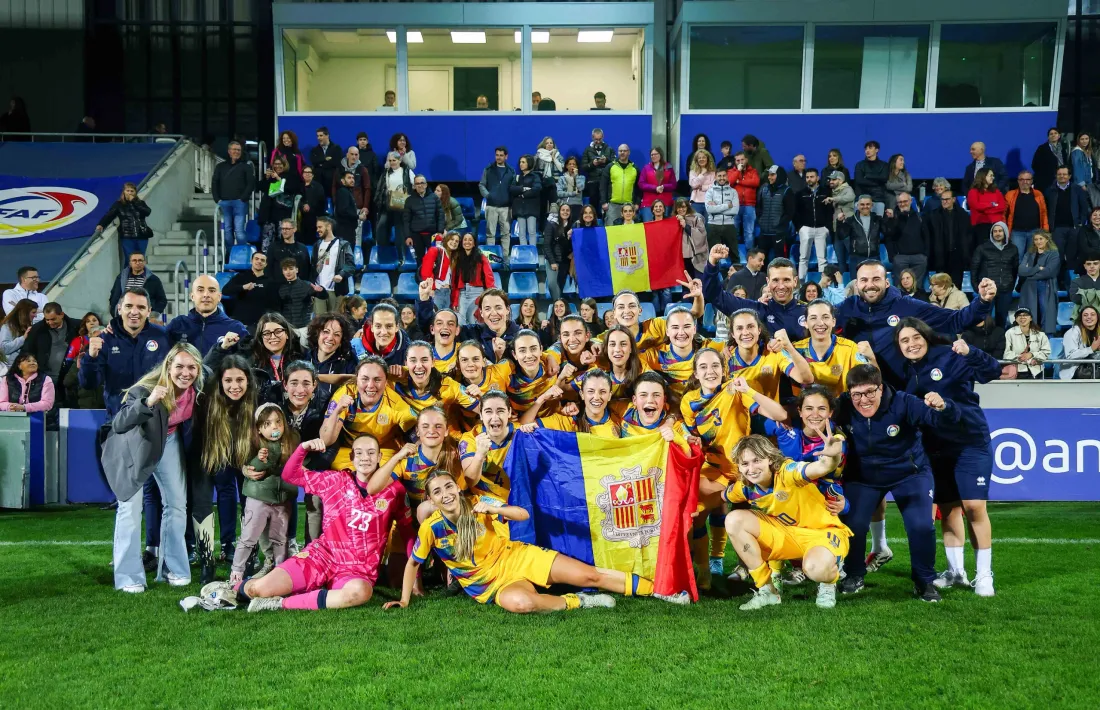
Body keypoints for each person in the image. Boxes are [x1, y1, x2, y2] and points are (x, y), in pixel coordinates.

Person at [388, 466, 645, 613]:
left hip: (517, 557)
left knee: (591, 576)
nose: (445, 494)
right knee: (521, 603)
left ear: (456, 488)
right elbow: (413, 563)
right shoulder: (432, 528)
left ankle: (657, 590)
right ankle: (580, 601)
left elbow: (522, 514)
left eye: (448, 487)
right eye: (437, 492)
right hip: (491, 586)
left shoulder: (479, 504)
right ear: (431, 500)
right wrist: (405, 599)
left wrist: (496, 510)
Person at [207, 434, 413, 613]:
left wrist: (416, 578)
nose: (365, 458)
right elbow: (291, 475)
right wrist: (302, 448)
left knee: (360, 592)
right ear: (351, 458)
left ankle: (278, 604)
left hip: (356, 571)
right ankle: (232, 589)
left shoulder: (394, 491)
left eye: (370, 453)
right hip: (321, 557)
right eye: (359, 453)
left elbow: (407, 532)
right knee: (258, 590)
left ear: (379, 457)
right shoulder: (335, 481)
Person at [833, 364, 959, 602]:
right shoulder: (843, 405)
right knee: (852, 524)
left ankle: (924, 581)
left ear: (881, 388)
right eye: (857, 394)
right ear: (849, 393)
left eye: (870, 392)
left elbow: (942, 419)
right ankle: (853, 575)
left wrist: (943, 407)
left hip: (909, 473)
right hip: (863, 476)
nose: (864, 400)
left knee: (921, 526)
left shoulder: (904, 402)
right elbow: (814, 414)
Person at [895, 319, 1002, 597]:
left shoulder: (950, 357)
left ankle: (984, 575)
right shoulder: (906, 374)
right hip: (936, 448)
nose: (911, 344)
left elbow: (993, 371)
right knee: (950, 509)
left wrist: (971, 352)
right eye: (904, 341)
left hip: (969, 441)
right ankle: (956, 572)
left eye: (916, 337)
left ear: (927, 337)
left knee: (974, 506)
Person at [102, 341, 203, 592]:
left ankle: (172, 568)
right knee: (130, 508)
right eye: (179, 366)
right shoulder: (145, 388)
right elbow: (119, 423)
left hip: (167, 440)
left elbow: (214, 360)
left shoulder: (196, 388)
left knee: (177, 504)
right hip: (134, 445)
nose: (185, 372)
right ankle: (129, 577)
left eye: (192, 367)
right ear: (168, 367)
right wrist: (147, 403)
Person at [679, 352, 785, 585]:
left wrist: (749, 390)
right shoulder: (688, 400)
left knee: (766, 516)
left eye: (716, 365)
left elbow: (780, 415)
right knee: (692, 512)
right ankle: (704, 571)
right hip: (713, 469)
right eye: (704, 367)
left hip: (743, 470)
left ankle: (774, 572)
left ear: (724, 368)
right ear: (696, 373)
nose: (710, 371)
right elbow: (691, 436)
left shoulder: (736, 389)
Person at [714, 433, 848, 610]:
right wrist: (689, 509)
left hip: (822, 533)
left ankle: (828, 582)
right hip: (787, 536)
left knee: (816, 568)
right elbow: (720, 497)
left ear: (769, 459)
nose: (751, 468)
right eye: (744, 464)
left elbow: (823, 466)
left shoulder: (788, 472)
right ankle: (766, 590)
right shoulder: (745, 488)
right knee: (734, 519)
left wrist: (834, 455)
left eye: (757, 460)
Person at [836, 260, 998, 387]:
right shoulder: (846, 309)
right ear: (857, 284)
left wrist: (982, 301)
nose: (870, 285)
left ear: (887, 282)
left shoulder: (907, 306)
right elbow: (815, 321)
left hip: (903, 390)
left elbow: (955, 320)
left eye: (876, 279)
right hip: (864, 393)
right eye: (864, 280)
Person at [186, 353, 256, 584]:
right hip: (206, 453)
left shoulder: (254, 399)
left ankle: (246, 557)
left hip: (242, 454)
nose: (234, 386)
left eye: (239, 380)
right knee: (202, 503)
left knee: (251, 500)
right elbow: (197, 439)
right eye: (228, 381)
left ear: (248, 380)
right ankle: (207, 560)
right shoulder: (207, 399)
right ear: (220, 381)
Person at [228, 404, 298, 586]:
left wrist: (287, 457)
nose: (275, 427)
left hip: (282, 500)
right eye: (268, 423)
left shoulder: (292, 441)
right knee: (248, 537)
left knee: (279, 539)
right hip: (258, 499)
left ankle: (279, 574)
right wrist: (260, 460)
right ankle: (236, 573)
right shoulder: (255, 445)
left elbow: (296, 467)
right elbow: (254, 470)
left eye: (278, 422)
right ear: (259, 428)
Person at [80, 288, 169, 415]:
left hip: (155, 418)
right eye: (128, 306)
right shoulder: (105, 340)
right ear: (119, 309)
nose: (134, 312)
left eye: (141, 307)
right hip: (119, 418)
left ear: (149, 311)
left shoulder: (163, 337)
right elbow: (88, 384)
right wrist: (90, 358)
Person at [320, 355, 417, 471]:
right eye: (365, 379)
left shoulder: (395, 403)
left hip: (384, 453)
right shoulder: (345, 394)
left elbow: (419, 435)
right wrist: (337, 411)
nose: (370, 386)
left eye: (377, 380)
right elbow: (326, 440)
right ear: (357, 380)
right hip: (352, 452)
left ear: (386, 382)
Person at [793, 299, 873, 397]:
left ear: (833, 321)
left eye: (825, 317)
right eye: (813, 318)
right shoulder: (795, 350)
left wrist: (872, 359)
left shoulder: (850, 349)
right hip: (808, 410)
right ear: (805, 323)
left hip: (842, 409)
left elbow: (872, 380)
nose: (820, 323)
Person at [167, 274, 249, 356]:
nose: (206, 295)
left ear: (219, 297)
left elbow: (247, 362)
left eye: (212, 290)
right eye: (200, 290)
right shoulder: (178, 324)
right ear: (192, 296)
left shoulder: (236, 328)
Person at [20, 302, 81, 394]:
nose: (50, 323)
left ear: (61, 315)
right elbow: (27, 351)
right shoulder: (37, 329)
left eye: (53, 319)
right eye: (47, 320)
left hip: (69, 378)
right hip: (45, 378)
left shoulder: (77, 326)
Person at [1044, 166, 1090, 281]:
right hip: (1057, 229)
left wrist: (1080, 223)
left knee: (1072, 256)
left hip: (1074, 228)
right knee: (1057, 256)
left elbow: (1084, 208)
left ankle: (1072, 284)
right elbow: (1046, 209)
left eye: (1064, 174)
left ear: (1069, 176)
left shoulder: (1077, 189)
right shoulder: (1050, 190)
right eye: (1059, 174)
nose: (1062, 176)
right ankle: (1059, 283)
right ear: (1056, 176)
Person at [971, 221, 1018, 325]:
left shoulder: (1013, 249)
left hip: (1005, 290)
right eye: (995, 231)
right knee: (983, 320)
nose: (997, 233)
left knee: (1002, 320)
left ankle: (1000, 340)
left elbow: (1015, 270)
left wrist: (1010, 285)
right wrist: (976, 287)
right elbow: (974, 268)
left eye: (1000, 231)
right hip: (987, 290)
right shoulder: (982, 248)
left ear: (1005, 232)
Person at [925, 189, 973, 289]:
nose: (944, 201)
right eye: (942, 199)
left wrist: (966, 253)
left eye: (947, 199)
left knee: (956, 287)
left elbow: (968, 236)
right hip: (940, 256)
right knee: (941, 288)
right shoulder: (933, 215)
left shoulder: (963, 215)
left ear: (954, 199)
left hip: (957, 257)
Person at [212, 141, 256, 248]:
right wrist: (217, 199)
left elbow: (251, 184)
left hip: (239, 203)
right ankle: (230, 254)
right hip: (224, 202)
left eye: (238, 150)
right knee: (227, 231)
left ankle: (241, 253)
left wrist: (243, 198)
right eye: (234, 149)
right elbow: (214, 183)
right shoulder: (220, 166)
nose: (236, 152)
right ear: (229, 151)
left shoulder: (246, 166)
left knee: (239, 231)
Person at [445, 234, 495, 325]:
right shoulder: (458, 259)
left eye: (470, 240)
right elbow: (455, 282)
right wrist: (455, 300)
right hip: (462, 293)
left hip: (477, 293)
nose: (467, 242)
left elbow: (489, 277)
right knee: (460, 323)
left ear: (474, 243)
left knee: (475, 322)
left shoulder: (481, 258)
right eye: (465, 240)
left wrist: (489, 296)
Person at [305, 313, 357, 400]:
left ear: (341, 341)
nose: (330, 338)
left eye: (336, 334)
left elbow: (358, 381)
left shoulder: (348, 363)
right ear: (317, 334)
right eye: (326, 332)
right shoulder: (304, 357)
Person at [60, 312, 106, 410]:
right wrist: (79, 369)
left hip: (106, 407)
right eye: (96, 337)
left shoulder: (114, 357)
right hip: (88, 407)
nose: (99, 340)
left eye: (101, 337)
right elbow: (67, 382)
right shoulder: (81, 356)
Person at [1017, 231, 1060, 334]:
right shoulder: (1029, 253)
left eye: (1041, 239)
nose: (1038, 241)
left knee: (1045, 313)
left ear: (1047, 239)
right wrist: (1037, 268)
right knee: (1030, 314)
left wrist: (1030, 273)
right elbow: (1021, 270)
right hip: (1029, 287)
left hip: (1046, 286)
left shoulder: (1054, 253)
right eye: (1036, 239)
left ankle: (1046, 339)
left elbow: (1049, 272)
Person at [223, 252, 278, 331]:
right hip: (241, 323)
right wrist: (242, 287)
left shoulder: (270, 281)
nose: (259, 261)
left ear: (266, 264)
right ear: (251, 261)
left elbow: (274, 305)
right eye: (256, 259)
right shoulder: (241, 277)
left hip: (260, 325)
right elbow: (225, 291)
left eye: (262, 260)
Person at [95, 182, 153, 257]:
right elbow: (109, 215)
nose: (130, 193)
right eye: (128, 190)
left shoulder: (140, 203)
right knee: (129, 258)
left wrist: (134, 202)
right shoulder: (118, 204)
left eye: (132, 191)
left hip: (142, 235)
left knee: (140, 258)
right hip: (127, 236)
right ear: (124, 192)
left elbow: (147, 212)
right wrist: (101, 224)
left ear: (135, 192)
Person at [258, 156, 304, 249]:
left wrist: (279, 179)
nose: (277, 166)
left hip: (282, 213)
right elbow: (261, 188)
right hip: (268, 213)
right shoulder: (271, 177)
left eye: (280, 164)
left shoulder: (291, 176)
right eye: (275, 164)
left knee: (282, 238)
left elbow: (292, 189)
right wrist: (266, 178)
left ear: (284, 165)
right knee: (267, 240)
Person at [882, 192, 926, 287]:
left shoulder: (919, 217)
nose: (903, 204)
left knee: (917, 287)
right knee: (900, 287)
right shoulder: (892, 217)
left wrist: (925, 255)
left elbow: (926, 236)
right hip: (900, 257)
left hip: (919, 257)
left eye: (905, 201)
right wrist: (893, 256)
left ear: (910, 201)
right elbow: (888, 236)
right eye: (900, 202)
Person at [311, 216, 354, 315]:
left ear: (329, 226)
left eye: (320, 227)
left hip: (336, 290)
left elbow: (351, 265)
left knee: (335, 322)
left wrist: (341, 274)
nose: (318, 230)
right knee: (320, 323)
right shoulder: (317, 245)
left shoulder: (343, 245)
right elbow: (312, 267)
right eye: (317, 227)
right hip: (319, 289)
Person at [793, 168, 830, 280]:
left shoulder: (826, 192)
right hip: (806, 228)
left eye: (812, 177)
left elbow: (830, 211)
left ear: (817, 178)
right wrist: (799, 227)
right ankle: (801, 282)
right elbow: (795, 211)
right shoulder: (800, 194)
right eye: (807, 177)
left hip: (821, 228)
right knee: (803, 257)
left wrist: (827, 227)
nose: (809, 179)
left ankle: (822, 284)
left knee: (822, 258)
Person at [479, 146, 517, 255]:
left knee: (506, 234)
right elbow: (482, 185)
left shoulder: (511, 171)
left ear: (506, 156)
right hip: (491, 206)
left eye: (501, 155)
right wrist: (488, 195)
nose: (498, 157)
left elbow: (513, 188)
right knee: (490, 234)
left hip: (506, 207)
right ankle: (490, 258)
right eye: (497, 155)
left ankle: (505, 257)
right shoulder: (488, 169)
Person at [1005, 170, 1048, 262]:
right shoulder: (1010, 195)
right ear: (1018, 181)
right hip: (1017, 233)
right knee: (1017, 258)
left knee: (1032, 259)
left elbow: (1044, 214)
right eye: (1022, 179)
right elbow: (1003, 214)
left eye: (1028, 179)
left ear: (1032, 181)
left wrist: (1045, 232)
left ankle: (1029, 277)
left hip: (1035, 232)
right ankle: (1017, 277)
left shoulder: (1038, 194)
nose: (1025, 182)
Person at [835, 195, 883, 278]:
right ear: (857, 206)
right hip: (856, 258)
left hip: (874, 257)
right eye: (862, 204)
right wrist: (839, 223)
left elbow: (889, 232)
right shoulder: (851, 220)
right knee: (856, 285)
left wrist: (890, 219)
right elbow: (841, 235)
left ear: (872, 205)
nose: (865, 206)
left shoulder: (878, 219)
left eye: (868, 204)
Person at [374, 152, 415, 249]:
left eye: (394, 160)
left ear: (399, 161)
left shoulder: (406, 171)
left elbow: (414, 184)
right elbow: (380, 188)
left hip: (402, 205)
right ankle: (383, 252)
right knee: (381, 226)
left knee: (399, 230)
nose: (392, 163)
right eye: (390, 160)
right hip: (387, 204)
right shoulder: (386, 172)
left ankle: (401, 255)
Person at [109, 252, 167, 318]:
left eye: (140, 260)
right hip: (122, 317)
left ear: (144, 262)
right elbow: (113, 296)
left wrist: (153, 315)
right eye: (134, 260)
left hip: (144, 318)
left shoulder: (153, 279)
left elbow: (162, 300)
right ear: (130, 263)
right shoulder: (121, 278)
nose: (137, 263)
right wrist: (114, 311)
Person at [402, 174, 444, 264]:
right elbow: (406, 220)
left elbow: (440, 215)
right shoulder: (409, 200)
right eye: (417, 183)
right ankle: (421, 278)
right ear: (414, 186)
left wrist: (440, 231)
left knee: (435, 260)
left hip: (433, 235)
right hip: (416, 236)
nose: (420, 185)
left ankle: (433, 278)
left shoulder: (434, 198)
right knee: (419, 261)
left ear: (426, 184)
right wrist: (408, 236)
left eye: (422, 183)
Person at [756, 166, 794, 262]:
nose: (769, 177)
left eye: (772, 175)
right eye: (769, 175)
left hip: (779, 234)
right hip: (764, 233)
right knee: (761, 262)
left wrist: (780, 226)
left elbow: (789, 212)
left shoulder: (787, 191)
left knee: (780, 261)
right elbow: (758, 208)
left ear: (779, 175)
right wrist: (760, 221)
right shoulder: (764, 189)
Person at [1003, 307, 1050, 379]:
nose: (1022, 317)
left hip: (1037, 371)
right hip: (1018, 371)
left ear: (1031, 318)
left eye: (1025, 315)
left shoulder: (1040, 335)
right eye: (1019, 315)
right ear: (1016, 319)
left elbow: (1046, 352)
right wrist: (1021, 358)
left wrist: (1032, 354)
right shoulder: (1009, 333)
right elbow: (1006, 354)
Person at [727, 152, 760, 249]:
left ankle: (750, 257)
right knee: (734, 232)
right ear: (735, 161)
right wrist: (738, 171)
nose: (740, 162)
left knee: (749, 233)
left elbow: (755, 182)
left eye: (742, 160)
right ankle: (735, 257)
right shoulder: (731, 172)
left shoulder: (753, 171)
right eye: (738, 160)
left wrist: (740, 182)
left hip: (749, 205)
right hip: (735, 206)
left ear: (746, 160)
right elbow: (729, 182)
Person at [420, 232, 460, 312]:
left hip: (448, 293)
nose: (454, 242)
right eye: (452, 239)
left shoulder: (454, 257)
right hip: (436, 291)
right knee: (435, 319)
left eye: (457, 241)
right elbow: (426, 271)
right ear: (446, 239)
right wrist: (431, 288)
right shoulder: (435, 250)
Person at [266, 218, 313, 285]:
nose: (284, 231)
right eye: (283, 229)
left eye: (287, 229)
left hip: (298, 288)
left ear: (294, 229)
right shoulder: (273, 247)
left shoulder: (302, 248)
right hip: (277, 287)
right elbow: (268, 268)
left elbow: (306, 269)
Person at [967, 167, 1006, 247]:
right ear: (983, 176)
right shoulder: (973, 192)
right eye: (990, 175)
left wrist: (986, 210)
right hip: (980, 226)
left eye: (993, 175)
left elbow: (1002, 206)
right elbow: (976, 206)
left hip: (996, 225)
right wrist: (992, 205)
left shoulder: (996, 191)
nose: (993, 177)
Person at [601, 144, 638, 227]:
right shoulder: (610, 167)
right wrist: (603, 202)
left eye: (624, 151)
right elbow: (603, 185)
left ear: (629, 152)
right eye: (620, 151)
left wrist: (637, 203)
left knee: (628, 232)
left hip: (629, 206)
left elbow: (638, 187)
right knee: (611, 231)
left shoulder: (635, 168)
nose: (622, 153)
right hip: (612, 206)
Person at [510, 156, 542, 248]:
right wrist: (523, 188)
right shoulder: (517, 177)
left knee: (532, 231)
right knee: (522, 232)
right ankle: (524, 253)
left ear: (529, 163)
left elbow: (536, 189)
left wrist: (523, 195)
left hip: (531, 208)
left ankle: (533, 253)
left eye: (523, 162)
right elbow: (511, 188)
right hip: (520, 208)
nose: (521, 164)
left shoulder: (535, 176)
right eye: (520, 162)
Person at [581, 129, 613, 220]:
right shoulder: (587, 150)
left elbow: (615, 164)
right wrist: (592, 164)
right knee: (593, 206)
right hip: (592, 181)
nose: (598, 141)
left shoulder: (609, 149)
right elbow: (583, 167)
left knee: (607, 206)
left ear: (603, 137)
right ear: (592, 138)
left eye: (600, 139)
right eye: (596, 139)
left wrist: (606, 161)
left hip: (606, 181)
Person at [1060, 306, 1100, 379]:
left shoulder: (1098, 332)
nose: (1089, 317)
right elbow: (1070, 356)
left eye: (1092, 314)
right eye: (1085, 315)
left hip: (1093, 366)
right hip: (1075, 370)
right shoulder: (1072, 333)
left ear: (1097, 317)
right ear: (1081, 318)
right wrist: (1091, 349)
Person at [704, 167, 739, 251]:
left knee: (734, 254)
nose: (722, 178)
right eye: (719, 176)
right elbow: (709, 209)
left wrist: (716, 207)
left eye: (724, 175)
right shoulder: (710, 191)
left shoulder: (733, 191)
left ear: (727, 177)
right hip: (713, 225)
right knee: (714, 255)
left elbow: (735, 210)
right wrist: (727, 206)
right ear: (715, 177)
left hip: (729, 225)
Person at [638, 147, 676, 222]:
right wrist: (654, 188)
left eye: (655, 154)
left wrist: (663, 187)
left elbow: (673, 184)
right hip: (649, 203)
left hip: (665, 202)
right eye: (652, 155)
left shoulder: (668, 167)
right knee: (649, 227)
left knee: (665, 227)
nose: (653, 156)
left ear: (660, 155)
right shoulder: (646, 168)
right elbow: (641, 184)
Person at [544, 204, 573, 302]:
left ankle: (558, 309)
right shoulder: (551, 224)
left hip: (565, 261)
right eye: (563, 210)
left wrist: (572, 253)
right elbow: (546, 245)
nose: (565, 212)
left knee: (560, 286)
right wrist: (552, 261)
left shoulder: (572, 226)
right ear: (559, 212)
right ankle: (558, 306)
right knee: (552, 284)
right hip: (553, 260)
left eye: (567, 210)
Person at [333, 169, 368, 248]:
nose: (352, 180)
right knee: (346, 256)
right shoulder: (343, 192)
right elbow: (343, 211)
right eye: (349, 178)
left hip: (348, 230)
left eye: (353, 178)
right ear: (342, 181)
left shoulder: (347, 192)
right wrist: (358, 216)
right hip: (344, 231)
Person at [674, 199, 708, 278]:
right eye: (678, 207)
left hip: (694, 256)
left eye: (683, 207)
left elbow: (702, 235)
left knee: (696, 281)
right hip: (680, 257)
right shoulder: (673, 220)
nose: (681, 209)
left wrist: (686, 226)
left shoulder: (696, 218)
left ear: (687, 207)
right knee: (684, 280)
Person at [853, 141, 888, 216]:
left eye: (870, 148)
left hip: (878, 199)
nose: (867, 150)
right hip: (861, 198)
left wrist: (867, 176)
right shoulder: (859, 165)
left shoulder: (884, 165)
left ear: (877, 150)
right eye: (866, 149)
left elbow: (884, 178)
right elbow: (859, 181)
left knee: (878, 224)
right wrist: (877, 183)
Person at [296, 165, 327, 246]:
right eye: (305, 172)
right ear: (302, 174)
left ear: (313, 175)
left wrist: (310, 206)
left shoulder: (318, 187)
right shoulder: (299, 186)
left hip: (314, 216)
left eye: (309, 172)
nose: (307, 174)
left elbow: (321, 202)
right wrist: (303, 206)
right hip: (300, 217)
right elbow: (296, 200)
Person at [309, 127, 343, 199]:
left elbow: (336, 163)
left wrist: (320, 163)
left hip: (332, 184)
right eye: (317, 136)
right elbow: (314, 162)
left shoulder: (336, 148)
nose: (318, 138)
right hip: (318, 183)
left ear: (327, 136)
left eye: (321, 135)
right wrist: (325, 159)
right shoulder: (314, 150)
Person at [1069, 207, 1100, 275]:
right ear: (1090, 217)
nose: (1097, 217)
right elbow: (1084, 248)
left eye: (1099, 215)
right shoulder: (1084, 230)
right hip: (1089, 262)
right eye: (1095, 215)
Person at [687, 149, 716, 219]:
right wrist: (702, 174)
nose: (701, 159)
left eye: (703, 157)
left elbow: (715, 186)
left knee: (708, 225)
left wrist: (703, 187)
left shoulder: (713, 172)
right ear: (696, 160)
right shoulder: (692, 172)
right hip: (696, 202)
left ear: (708, 159)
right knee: (696, 225)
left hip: (710, 201)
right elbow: (693, 185)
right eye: (699, 158)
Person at [556, 156, 585, 224]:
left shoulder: (581, 177)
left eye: (574, 164)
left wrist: (576, 176)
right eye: (570, 164)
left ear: (577, 166)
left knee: (576, 223)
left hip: (577, 204)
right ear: (566, 166)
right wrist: (573, 193)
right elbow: (559, 193)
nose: (572, 166)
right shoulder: (562, 178)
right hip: (565, 204)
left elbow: (580, 188)